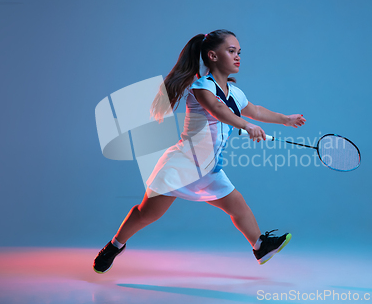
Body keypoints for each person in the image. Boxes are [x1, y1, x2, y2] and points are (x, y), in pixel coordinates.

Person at [93, 29, 306, 273]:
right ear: (213, 56)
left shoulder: (235, 92)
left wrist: (285, 120)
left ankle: (260, 246)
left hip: (210, 168)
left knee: (238, 206)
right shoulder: (202, 87)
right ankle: (115, 245)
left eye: (239, 52)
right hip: (183, 165)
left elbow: (256, 110)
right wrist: (245, 125)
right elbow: (218, 110)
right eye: (231, 51)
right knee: (146, 214)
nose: (238, 57)